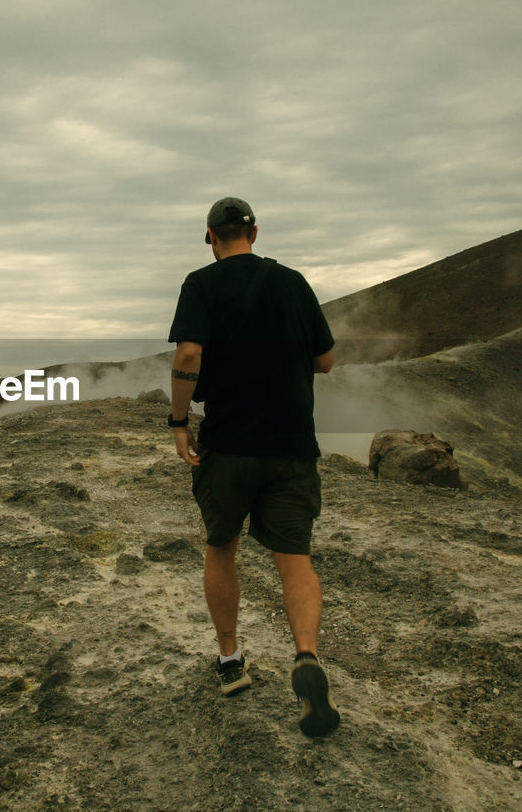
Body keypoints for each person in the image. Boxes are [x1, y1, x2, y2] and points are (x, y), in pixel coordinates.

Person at [166, 196, 340, 737]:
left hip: (230, 445)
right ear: (255, 233)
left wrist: (177, 421)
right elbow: (326, 360)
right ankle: (307, 656)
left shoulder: (201, 283)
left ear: (211, 237)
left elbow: (189, 355)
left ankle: (230, 660)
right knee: (295, 559)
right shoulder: (292, 282)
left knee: (222, 547)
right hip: (291, 445)